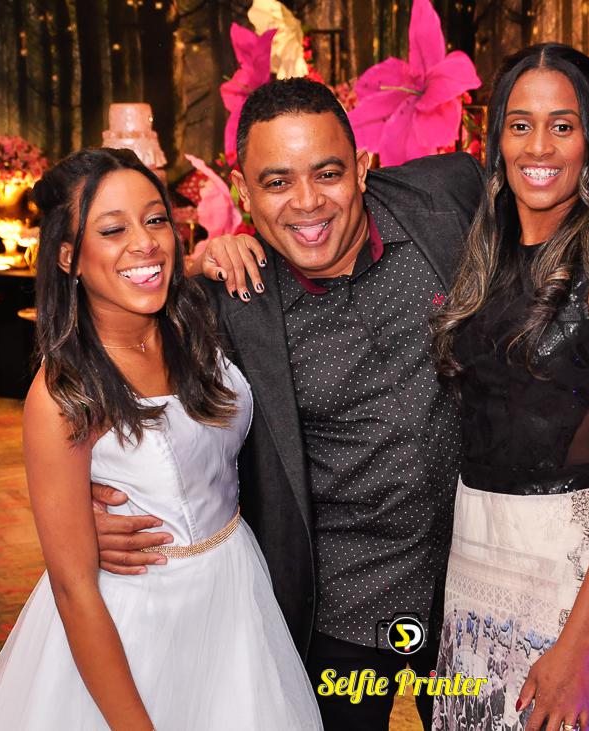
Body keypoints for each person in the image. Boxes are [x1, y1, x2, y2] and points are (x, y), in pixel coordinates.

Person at [92, 78, 486, 731]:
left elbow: (562, 242)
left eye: (327, 173)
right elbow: (96, 359)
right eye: (276, 182)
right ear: (243, 192)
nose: (307, 202)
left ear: (362, 168)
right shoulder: (229, 303)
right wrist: (80, 508)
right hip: (336, 612)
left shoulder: (447, 196)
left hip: (468, 587)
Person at [0, 148, 322, 730]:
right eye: (112, 230)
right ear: (68, 256)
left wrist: (210, 256)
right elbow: (74, 589)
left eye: (155, 220)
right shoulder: (64, 393)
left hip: (235, 599)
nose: (144, 243)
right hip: (134, 624)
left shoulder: (194, 326)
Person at [428, 44, 589, 731]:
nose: (539, 146)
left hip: (570, 582)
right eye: (520, 125)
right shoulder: (482, 250)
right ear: (497, 137)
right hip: (474, 564)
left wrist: (577, 646)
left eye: (561, 126)